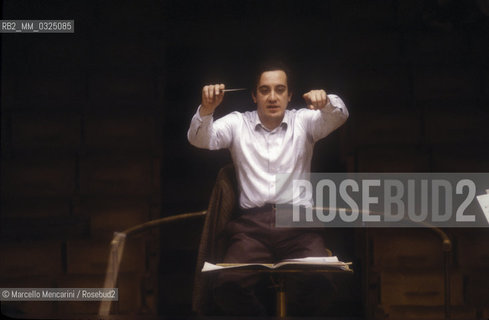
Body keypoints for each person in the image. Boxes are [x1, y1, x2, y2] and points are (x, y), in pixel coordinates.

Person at [187, 62, 349, 316]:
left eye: (279, 89)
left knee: (323, 280)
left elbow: (339, 115)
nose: (272, 97)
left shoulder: (304, 121)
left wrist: (326, 101)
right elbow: (199, 139)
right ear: (254, 95)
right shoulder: (237, 123)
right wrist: (207, 110)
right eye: (264, 90)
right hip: (251, 229)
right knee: (227, 285)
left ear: (289, 95)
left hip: (299, 226)